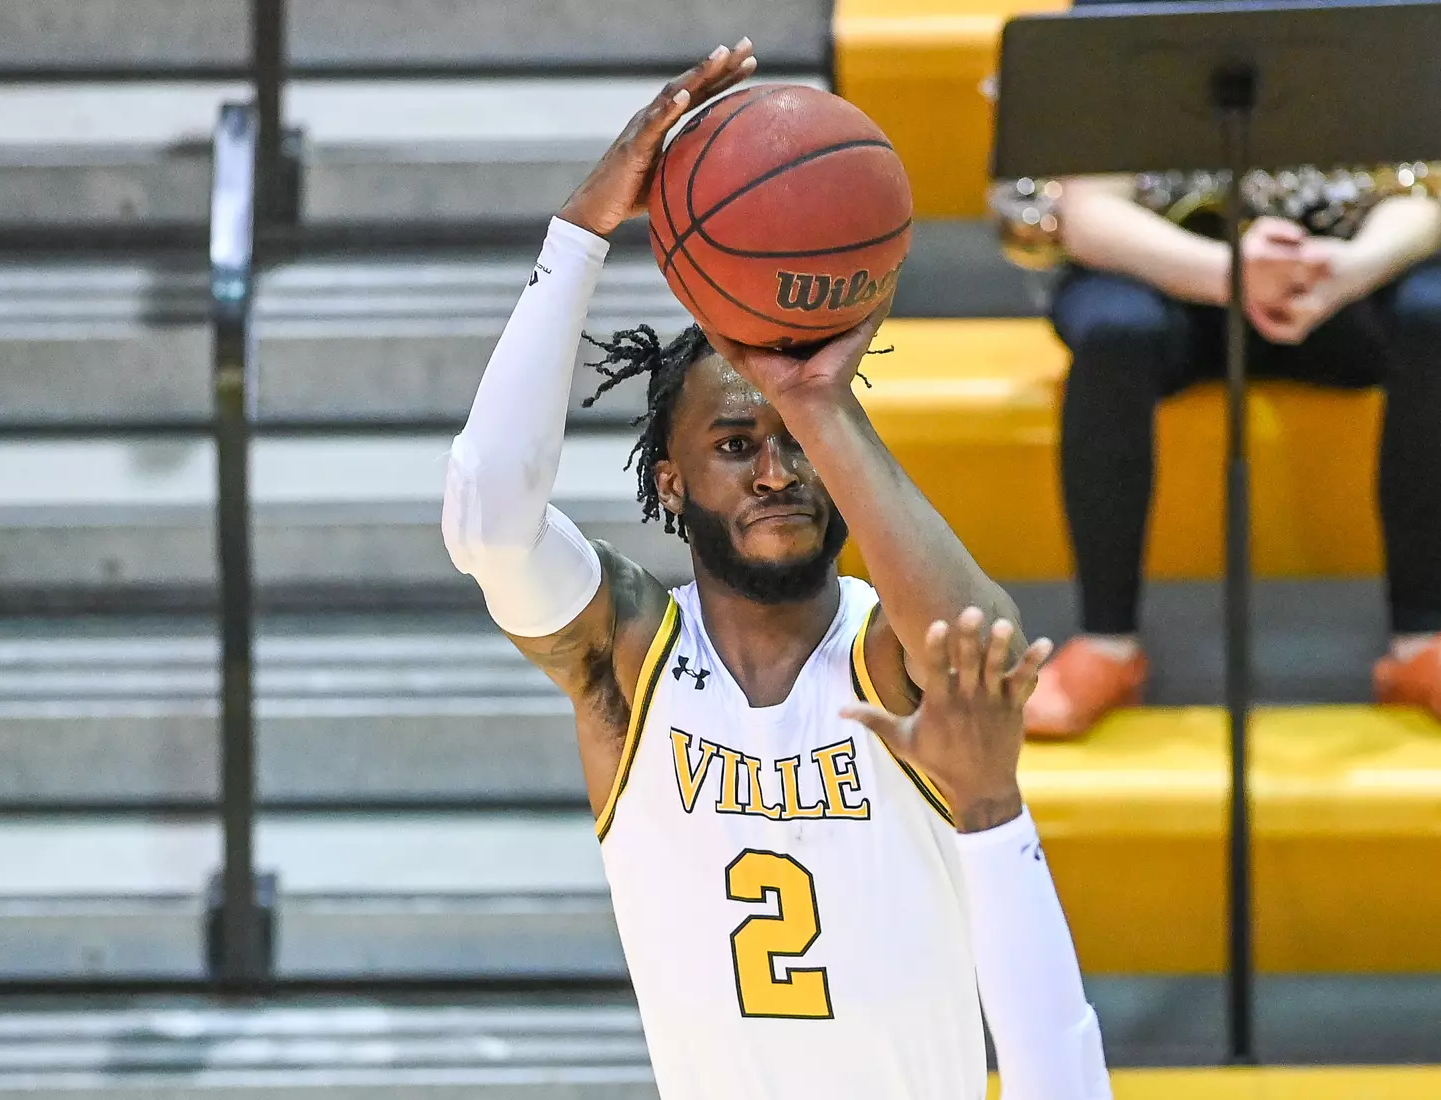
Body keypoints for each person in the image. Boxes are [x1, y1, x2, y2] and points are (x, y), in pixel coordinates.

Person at [441, 41, 1110, 1100]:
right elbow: (487, 523)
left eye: (795, 444)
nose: (775, 469)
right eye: (736, 442)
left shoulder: (881, 657)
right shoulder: (628, 663)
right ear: (670, 480)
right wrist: (578, 235)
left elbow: (977, 650)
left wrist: (816, 397)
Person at [1022, 164, 1441, 739]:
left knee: (1432, 314)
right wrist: (1230, 274)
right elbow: (1087, 214)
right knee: (1113, 329)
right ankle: (1106, 646)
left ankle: (1422, 643)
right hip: (1160, 275)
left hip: (1335, 281)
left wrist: (1351, 268)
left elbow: (1423, 191)